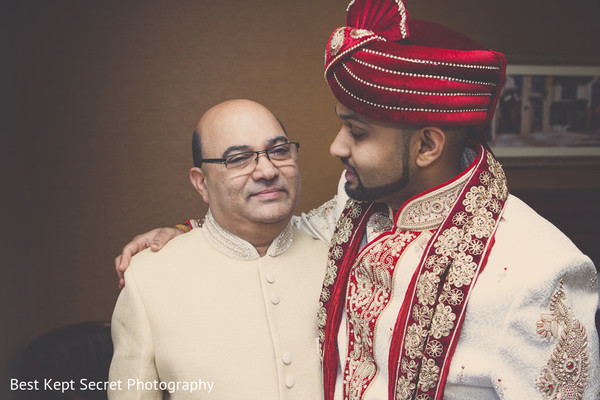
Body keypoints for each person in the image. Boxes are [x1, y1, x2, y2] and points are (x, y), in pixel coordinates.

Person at [114, 1, 600, 399]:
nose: (336, 147)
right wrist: (185, 232)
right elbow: (268, 224)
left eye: (357, 132)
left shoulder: (537, 272)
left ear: (427, 146)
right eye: (342, 124)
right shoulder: (359, 212)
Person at [108, 99, 328, 399]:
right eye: (238, 158)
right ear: (201, 184)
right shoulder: (148, 278)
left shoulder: (339, 259)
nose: (267, 170)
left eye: (278, 151)